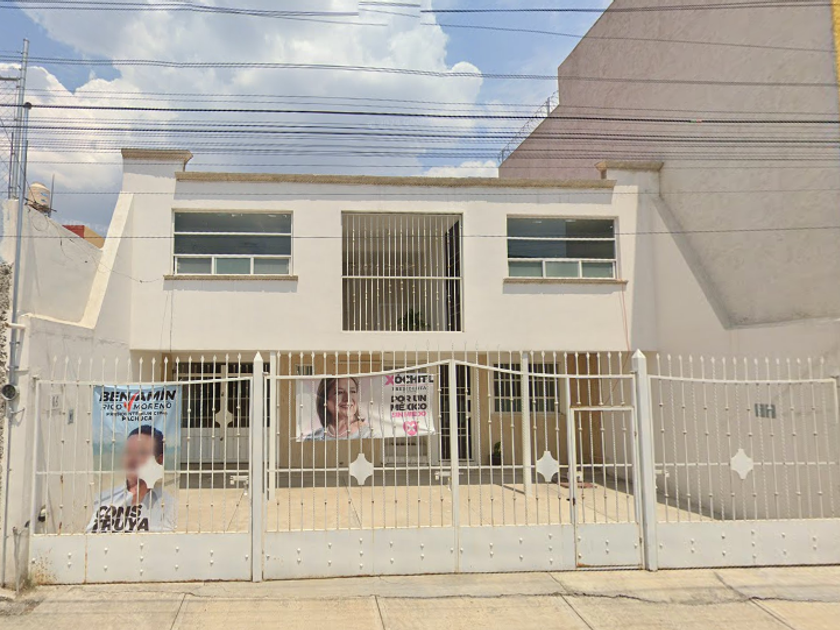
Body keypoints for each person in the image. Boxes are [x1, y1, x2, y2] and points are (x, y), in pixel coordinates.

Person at [87, 425, 176, 532]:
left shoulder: (168, 505)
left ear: (159, 460)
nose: (132, 459)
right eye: (128, 452)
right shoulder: (103, 499)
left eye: (141, 453)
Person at [307, 377, 376, 440]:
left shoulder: (370, 435)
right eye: (339, 392)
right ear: (325, 400)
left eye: (352, 391)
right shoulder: (313, 438)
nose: (348, 398)